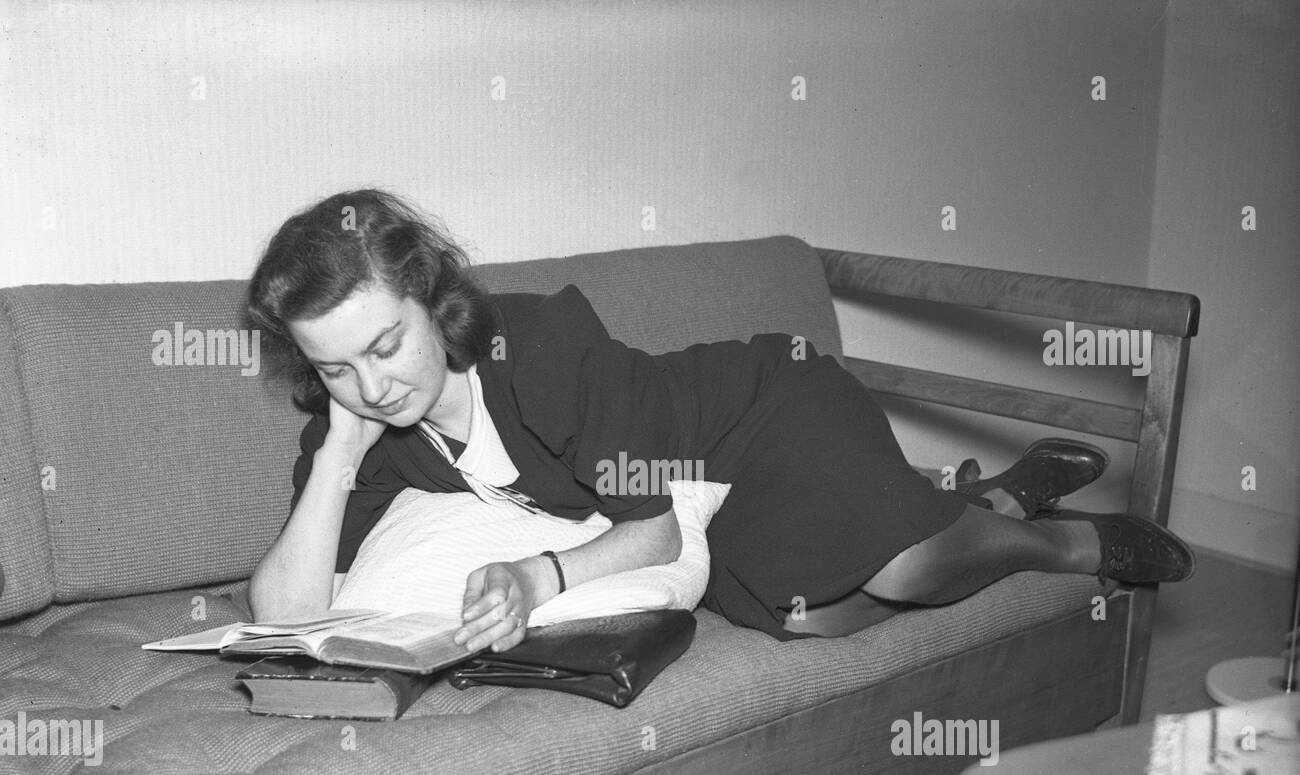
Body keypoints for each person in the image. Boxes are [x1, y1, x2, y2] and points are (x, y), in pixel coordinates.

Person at [246, 189, 1194, 655]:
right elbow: (284, 616)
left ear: (432, 300)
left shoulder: (534, 350)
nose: (370, 386)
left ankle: (1068, 544)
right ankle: (994, 498)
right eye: (334, 366)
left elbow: (652, 524)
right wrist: (335, 457)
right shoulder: (362, 423)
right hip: (707, 508)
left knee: (905, 568)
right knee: (817, 621)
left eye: (384, 347)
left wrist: (538, 579)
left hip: (758, 419)